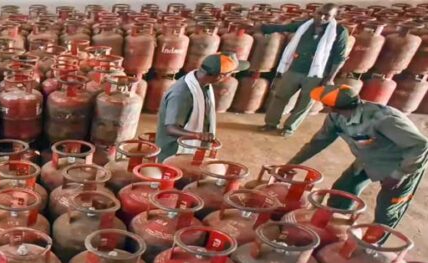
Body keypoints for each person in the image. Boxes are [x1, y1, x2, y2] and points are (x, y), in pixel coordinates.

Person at [288, 85, 428, 229]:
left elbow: (421, 146)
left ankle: (375, 241)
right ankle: (334, 225)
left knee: (386, 211)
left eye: (324, 103)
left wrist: (398, 175)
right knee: (342, 190)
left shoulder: (381, 119)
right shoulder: (336, 117)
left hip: (401, 163)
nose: (323, 106)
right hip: (368, 158)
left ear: (332, 106)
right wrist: (291, 164)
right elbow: (319, 141)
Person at [260, 3, 349, 136]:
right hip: (295, 68)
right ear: (315, 12)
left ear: (334, 17)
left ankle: (289, 128)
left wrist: (329, 78)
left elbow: (339, 58)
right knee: (280, 96)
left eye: (327, 15)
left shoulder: (339, 31)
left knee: (305, 103)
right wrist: (263, 28)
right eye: (319, 13)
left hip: (317, 74)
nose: (322, 17)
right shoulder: (306, 25)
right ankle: (270, 124)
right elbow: (286, 27)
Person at [155, 52, 249, 161]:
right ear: (220, 76)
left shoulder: (202, 84)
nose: (230, 76)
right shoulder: (182, 94)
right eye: (230, 74)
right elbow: (171, 129)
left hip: (186, 146)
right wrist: (197, 135)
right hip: (174, 150)